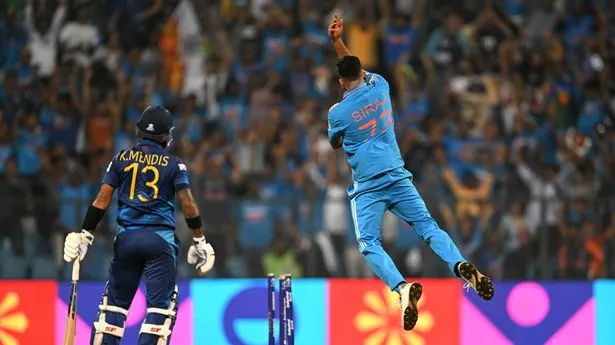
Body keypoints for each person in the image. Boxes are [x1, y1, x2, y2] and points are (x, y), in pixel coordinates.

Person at [326, 15, 494, 331]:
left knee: (369, 244)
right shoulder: (381, 86)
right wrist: (338, 42)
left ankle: (402, 288)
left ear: (340, 83)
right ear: (363, 72)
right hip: (398, 176)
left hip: (368, 188)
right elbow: (354, 68)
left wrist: (335, 44)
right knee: (428, 227)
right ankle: (460, 264)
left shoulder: (337, 112)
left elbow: (335, 143)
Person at [62, 106, 215, 345]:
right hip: (159, 242)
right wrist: (199, 239)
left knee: (112, 310)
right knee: (159, 313)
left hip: (126, 241)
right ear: (168, 137)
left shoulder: (121, 158)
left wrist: (85, 234)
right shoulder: (175, 165)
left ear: (138, 132)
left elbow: (102, 200)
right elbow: (188, 204)